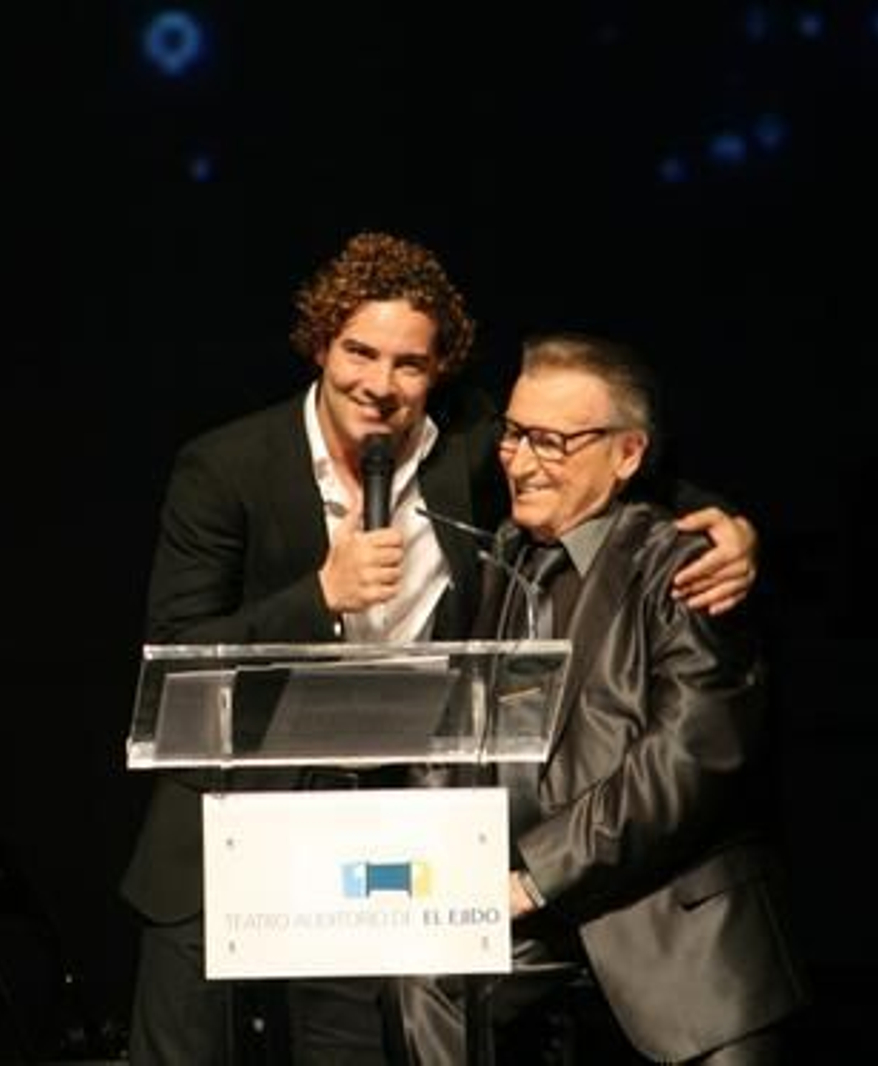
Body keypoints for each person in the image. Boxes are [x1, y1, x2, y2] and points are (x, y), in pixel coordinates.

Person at [120, 232, 762, 1064]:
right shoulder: (227, 467)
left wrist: (731, 528)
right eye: (359, 352)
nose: (379, 384)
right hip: (234, 819)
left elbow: (605, 458)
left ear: (440, 371)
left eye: (410, 364)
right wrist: (319, 595)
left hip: (387, 824)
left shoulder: (474, 445)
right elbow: (176, 654)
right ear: (321, 344)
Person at [396, 332, 809, 1065]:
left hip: (671, 924)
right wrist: (435, 865)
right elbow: (454, 734)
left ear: (627, 454)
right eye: (514, 434)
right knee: (428, 976)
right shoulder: (502, 562)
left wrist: (535, 878)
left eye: (552, 442)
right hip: (530, 913)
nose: (521, 462)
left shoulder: (688, 566)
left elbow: (686, 764)